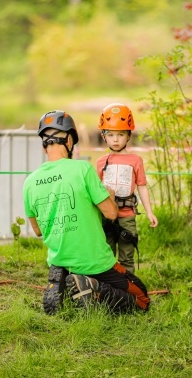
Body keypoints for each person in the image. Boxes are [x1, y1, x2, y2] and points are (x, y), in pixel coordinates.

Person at [23, 110, 150, 315]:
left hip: (59, 257)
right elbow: (110, 214)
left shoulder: (29, 182)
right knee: (142, 299)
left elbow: (37, 230)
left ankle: (63, 276)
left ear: (43, 144)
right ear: (70, 140)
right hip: (94, 261)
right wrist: (108, 195)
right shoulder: (82, 169)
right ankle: (92, 287)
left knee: (63, 261)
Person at [96, 103, 158, 274]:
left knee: (126, 256)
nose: (115, 139)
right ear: (104, 136)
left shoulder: (135, 160)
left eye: (120, 134)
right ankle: (107, 288)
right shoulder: (101, 162)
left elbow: (142, 186)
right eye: (111, 135)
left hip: (127, 216)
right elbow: (95, 193)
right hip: (106, 216)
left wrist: (149, 212)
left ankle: (129, 292)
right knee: (106, 255)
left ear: (129, 135)